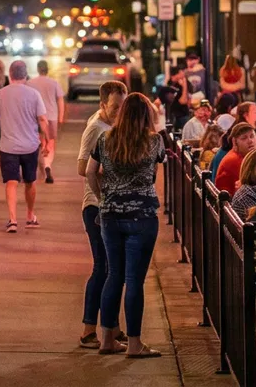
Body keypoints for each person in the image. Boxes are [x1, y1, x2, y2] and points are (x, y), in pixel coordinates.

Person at [86, 92, 164, 359]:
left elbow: (89, 171)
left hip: (110, 215)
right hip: (142, 216)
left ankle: (107, 339)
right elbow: (154, 174)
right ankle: (134, 343)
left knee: (114, 275)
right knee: (134, 281)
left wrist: (103, 197)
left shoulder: (105, 139)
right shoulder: (154, 142)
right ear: (146, 116)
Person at [76, 79, 125, 350]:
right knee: (103, 268)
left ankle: (113, 328)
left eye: (122, 106)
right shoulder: (95, 128)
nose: (119, 112)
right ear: (102, 104)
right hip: (95, 205)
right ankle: (88, 330)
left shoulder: (113, 126)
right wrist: (114, 172)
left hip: (109, 204)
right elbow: (83, 167)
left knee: (113, 270)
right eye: (115, 107)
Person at [0, 60, 52, 231]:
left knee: (11, 182)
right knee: (30, 181)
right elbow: (43, 120)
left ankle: (13, 220)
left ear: (10, 74)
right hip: (31, 145)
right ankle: (30, 216)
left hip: (8, 146)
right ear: (25, 75)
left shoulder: (0, 94)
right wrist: (45, 141)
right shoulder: (34, 94)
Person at [27, 60, 66, 184]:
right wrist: (60, 117)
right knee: (50, 144)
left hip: (35, 117)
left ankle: (41, 169)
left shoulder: (30, 83)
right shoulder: (54, 83)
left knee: (38, 143)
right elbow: (60, 100)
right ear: (47, 69)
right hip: (51, 117)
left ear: (38, 69)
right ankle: (47, 166)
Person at [213, 123, 256, 193]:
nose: (250, 141)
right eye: (244, 138)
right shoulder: (234, 160)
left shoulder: (244, 156)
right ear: (234, 142)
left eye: (252, 136)